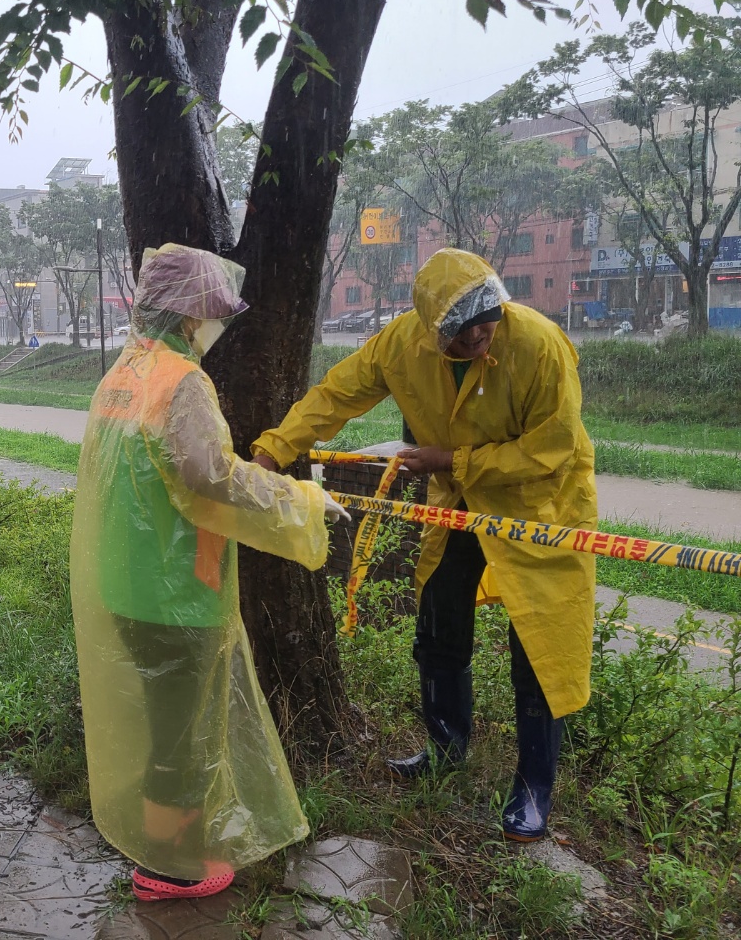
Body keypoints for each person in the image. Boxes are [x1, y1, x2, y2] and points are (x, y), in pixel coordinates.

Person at [252, 248, 597, 842]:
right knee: (439, 616)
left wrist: (450, 459)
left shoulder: (539, 345)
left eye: (489, 321)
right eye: (464, 332)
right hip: (459, 505)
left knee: (542, 643)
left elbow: (554, 447)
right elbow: (335, 396)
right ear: (434, 330)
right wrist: (275, 449)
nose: (481, 336)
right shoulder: (400, 346)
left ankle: (534, 785)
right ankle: (444, 747)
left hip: (540, 508)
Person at [72, 243, 349, 902]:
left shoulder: (124, 373)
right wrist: (304, 502)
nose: (216, 326)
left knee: (167, 725)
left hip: (127, 584)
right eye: (212, 313)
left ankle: (170, 844)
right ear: (189, 313)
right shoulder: (181, 380)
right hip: (176, 594)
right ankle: (168, 867)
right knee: (181, 739)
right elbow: (210, 476)